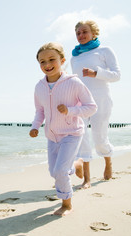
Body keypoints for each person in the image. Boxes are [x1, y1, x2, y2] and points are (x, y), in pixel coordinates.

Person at [30, 42, 97, 216]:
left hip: (71, 133)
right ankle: (78, 164)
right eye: (42, 62)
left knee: (60, 171)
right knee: (54, 172)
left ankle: (67, 204)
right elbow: (40, 110)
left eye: (52, 59)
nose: (47, 65)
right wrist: (35, 126)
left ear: (62, 60)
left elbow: (91, 107)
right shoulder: (39, 87)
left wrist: (70, 111)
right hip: (52, 136)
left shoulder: (74, 83)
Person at [71, 20, 121, 188]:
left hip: (101, 99)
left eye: (84, 32)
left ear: (93, 33)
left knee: (99, 139)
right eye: (78, 33)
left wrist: (96, 73)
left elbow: (116, 75)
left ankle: (108, 161)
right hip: (80, 101)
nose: (81, 35)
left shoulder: (105, 51)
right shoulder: (74, 56)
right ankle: (87, 179)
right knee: (82, 137)